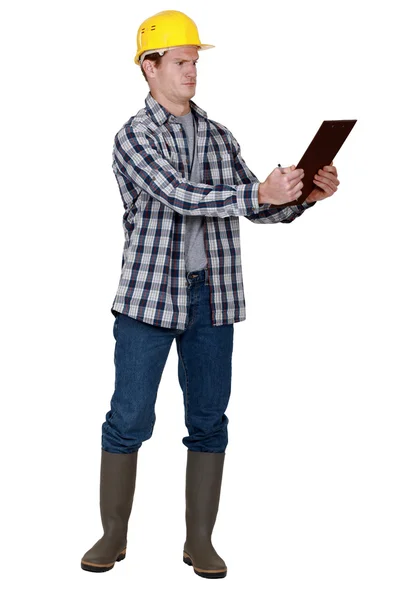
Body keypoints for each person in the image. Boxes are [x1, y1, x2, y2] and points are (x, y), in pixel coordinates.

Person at [81, 9, 340, 579]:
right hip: (148, 303)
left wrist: (300, 197)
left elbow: (254, 208)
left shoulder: (220, 136)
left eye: (195, 61)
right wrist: (256, 190)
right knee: (128, 418)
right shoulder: (133, 137)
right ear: (149, 67)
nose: (192, 71)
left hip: (212, 301)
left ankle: (199, 540)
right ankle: (112, 534)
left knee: (210, 419)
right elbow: (181, 195)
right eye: (180, 61)